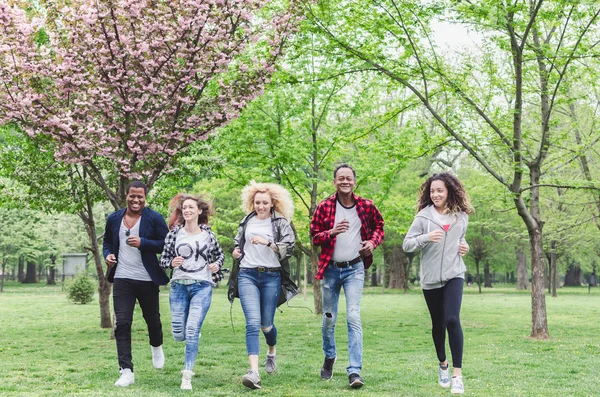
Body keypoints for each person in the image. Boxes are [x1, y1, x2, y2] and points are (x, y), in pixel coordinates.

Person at [310, 164, 385, 389]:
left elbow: (380, 227)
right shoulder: (324, 206)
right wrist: (331, 232)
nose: (345, 181)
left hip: (355, 268)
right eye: (340, 178)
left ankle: (354, 371)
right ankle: (330, 356)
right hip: (330, 269)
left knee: (353, 316)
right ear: (334, 182)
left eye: (349, 178)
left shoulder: (367, 206)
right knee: (328, 320)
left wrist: (372, 243)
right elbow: (314, 237)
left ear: (354, 181)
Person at [402, 172, 474, 395]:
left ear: (449, 191)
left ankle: (457, 375)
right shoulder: (423, 217)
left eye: (440, 190)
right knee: (438, 324)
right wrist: (426, 238)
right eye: (432, 191)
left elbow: (461, 239)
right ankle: (442, 363)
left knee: (453, 319)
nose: (435, 194)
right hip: (431, 279)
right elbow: (407, 244)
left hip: (455, 274)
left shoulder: (461, 216)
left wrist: (465, 247)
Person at [227, 181, 299, 390]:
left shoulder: (281, 222)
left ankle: (271, 350)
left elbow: (289, 247)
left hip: (271, 276)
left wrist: (268, 243)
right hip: (247, 273)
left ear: (272, 203)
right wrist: (236, 252)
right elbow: (238, 242)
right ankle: (253, 372)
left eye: (264, 202)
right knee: (252, 323)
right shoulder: (247, 220)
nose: (260, 206)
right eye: (257, 202)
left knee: (266, 324)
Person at [102, 180, 169, 387]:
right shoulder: (114, 218)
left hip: (147, 278)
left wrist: (143, 243)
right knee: (122, 323)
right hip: (122, 277)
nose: (136, 199)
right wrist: (108, 255)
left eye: (140, 196)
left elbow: (166, 244)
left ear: (145, 197)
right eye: (133, 195)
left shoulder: (154, 218)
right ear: (127, 195)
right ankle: (126, 371)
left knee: (153, 321)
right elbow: (106, 243)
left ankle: (156, 346)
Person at [158, 193, 225, 390]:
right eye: (184, 208)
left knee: (191, 330)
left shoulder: (208, 235)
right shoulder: (174, 234)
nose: (187, 210)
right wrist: (171, 262)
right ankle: (191, 332)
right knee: (179, 334)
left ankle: (186, 375)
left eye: (190, 207)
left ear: (199, 211)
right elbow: (163, 260)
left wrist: (215, 265)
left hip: (202, 286)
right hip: (178, 286)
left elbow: (219, 257)